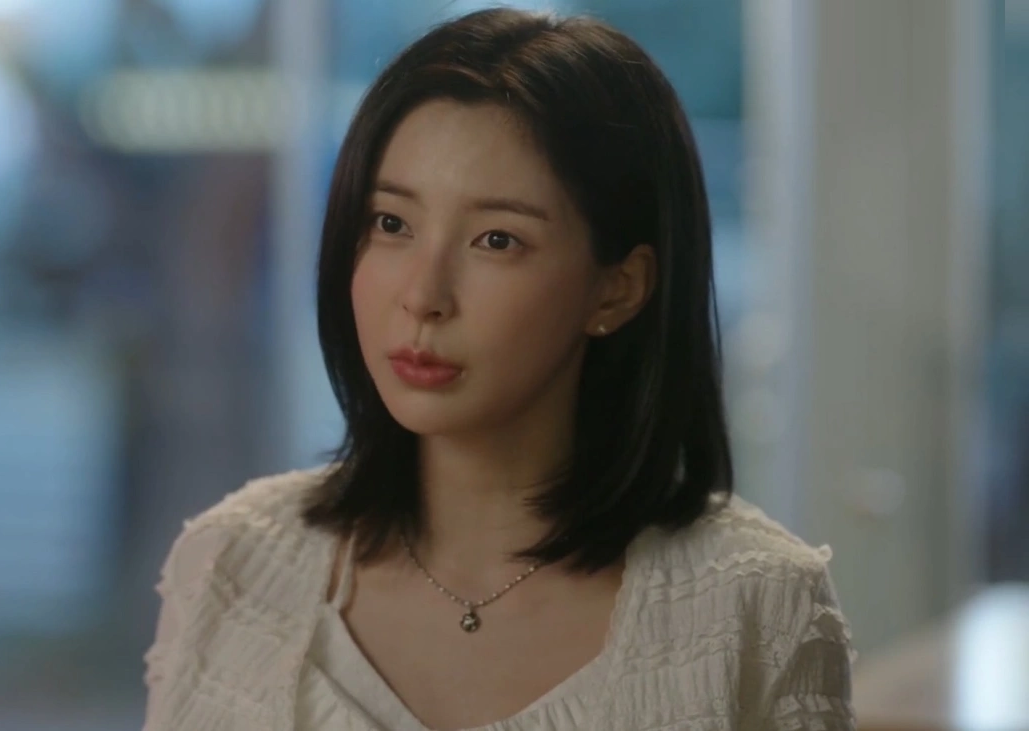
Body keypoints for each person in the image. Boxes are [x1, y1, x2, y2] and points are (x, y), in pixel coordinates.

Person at [142, 8, 855, 730]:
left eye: (496, 240)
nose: (423, 295)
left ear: (617, 289)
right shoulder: (232, 561)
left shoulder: (756, 606)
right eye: (392, 223)